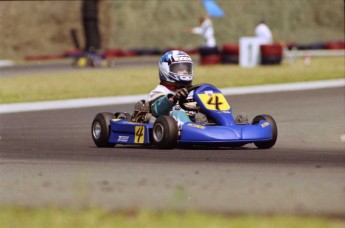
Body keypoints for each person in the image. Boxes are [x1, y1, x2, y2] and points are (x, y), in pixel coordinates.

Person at [148, 50, 194, 126]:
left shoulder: (192, 91)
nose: (185, 72)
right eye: (180, 69)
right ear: (165, 69)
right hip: (171, 128)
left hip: (196, 123)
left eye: (187, 69)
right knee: (178, 112)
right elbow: (157, 109)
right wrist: (173, 98)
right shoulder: (159, 91)